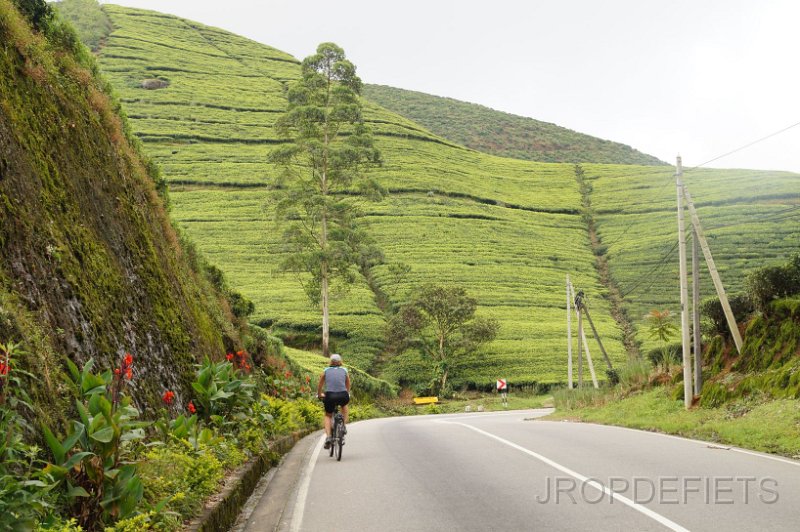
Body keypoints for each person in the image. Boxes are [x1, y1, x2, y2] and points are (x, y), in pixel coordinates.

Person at [317, 353, 350, 449]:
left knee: (328, 415)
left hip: (330, 395)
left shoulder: (326, 371)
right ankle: (343, 426)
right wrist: (347, 393)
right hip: (343, 395)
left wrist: (319, 394)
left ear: (330, 362)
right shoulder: (344, 370)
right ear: (340, 362)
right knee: (344, 406)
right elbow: (348, 384)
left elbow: (320, 385)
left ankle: (328, 437)